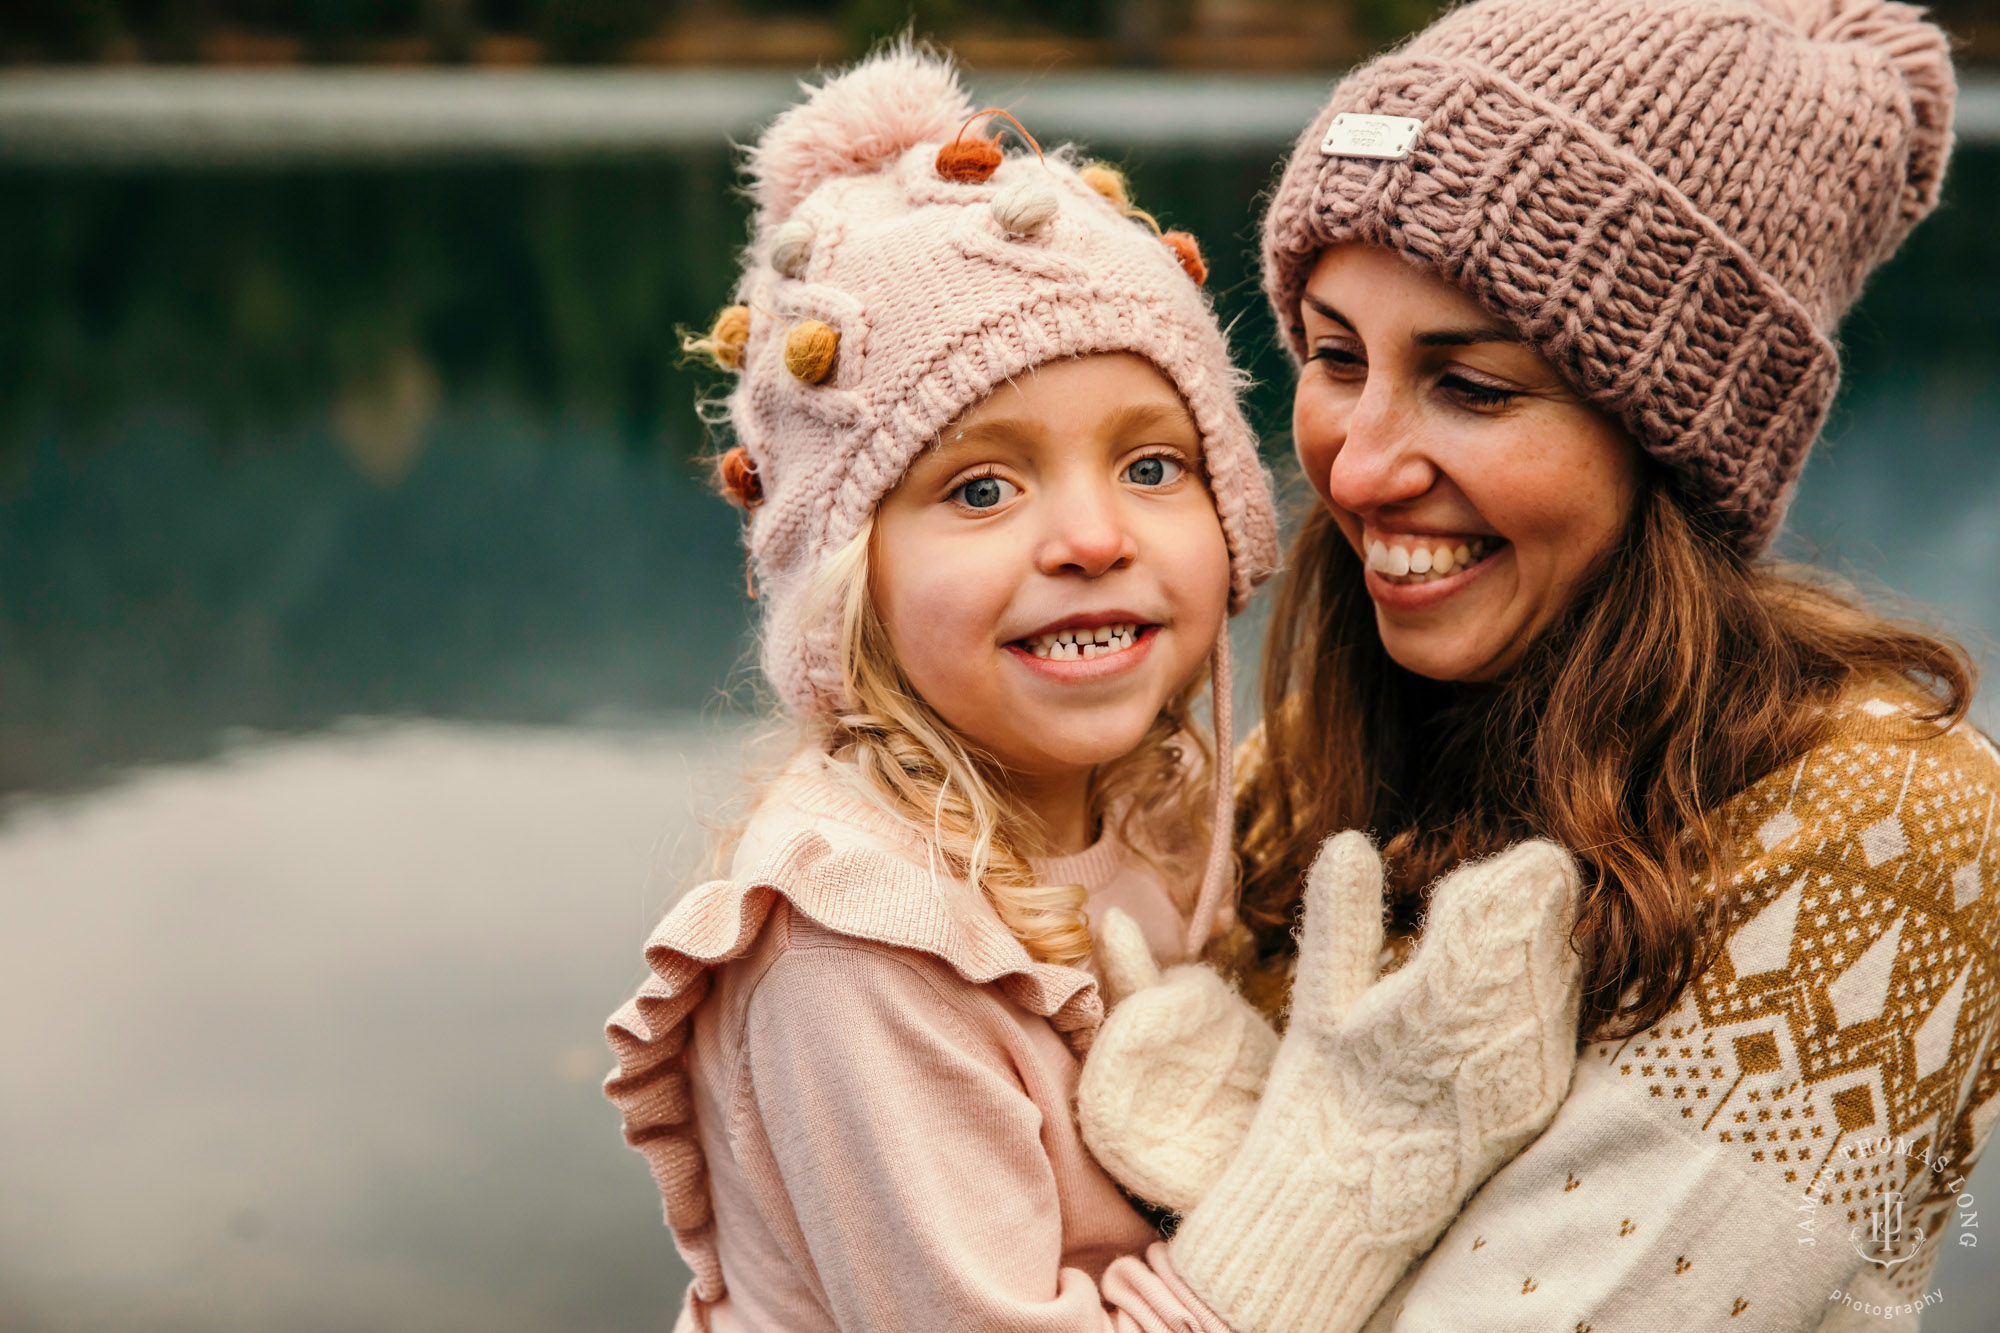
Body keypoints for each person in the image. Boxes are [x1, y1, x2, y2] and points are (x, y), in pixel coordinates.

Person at [1079, 1, 2000, 1329]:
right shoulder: (1299, 774)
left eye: (1474, 387)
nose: (1360, 461)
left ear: (1673, 441)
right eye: (1335, 357)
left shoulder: (1886, 831)